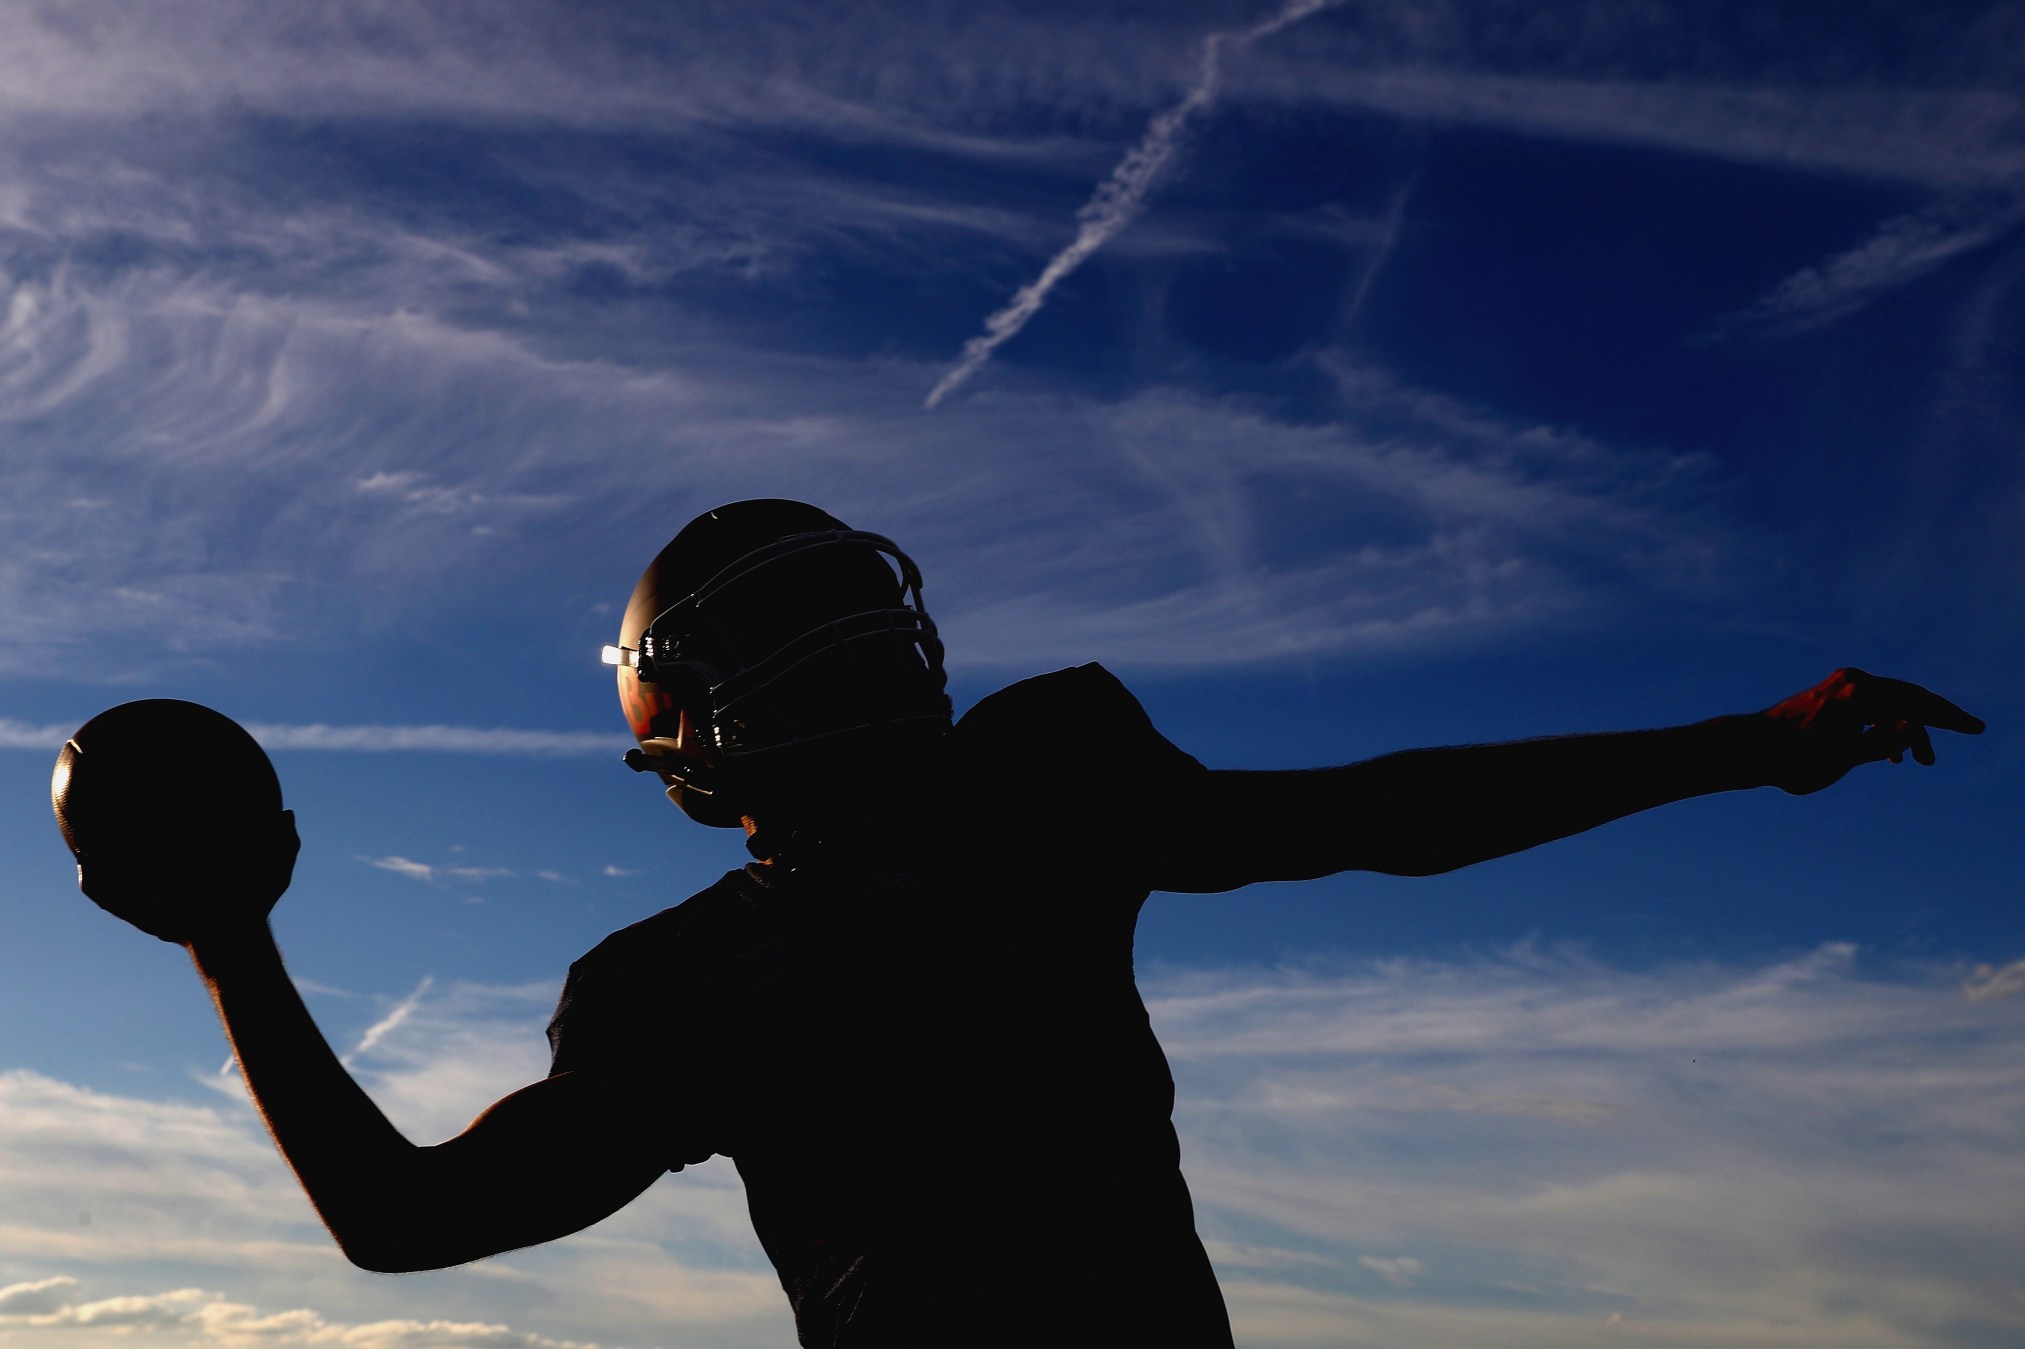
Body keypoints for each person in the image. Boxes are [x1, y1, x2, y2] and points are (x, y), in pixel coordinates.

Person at [80, 499, 1985, 1348]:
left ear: (688, 733)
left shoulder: (699, 985)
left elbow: (405, 1225)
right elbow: (1401, 811)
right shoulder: (1042, 805)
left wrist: (228, 935)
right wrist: (1752, 744)